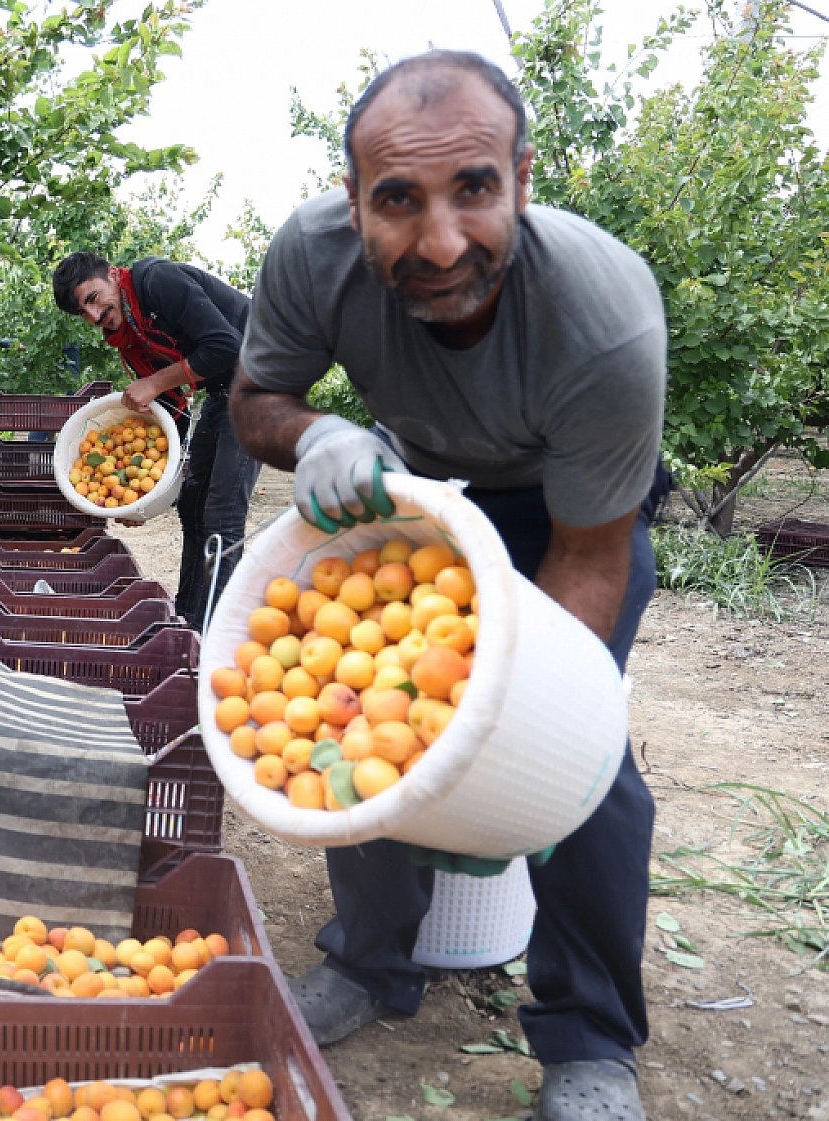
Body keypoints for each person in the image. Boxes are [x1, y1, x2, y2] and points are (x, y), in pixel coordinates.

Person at [232, 50, 670, 1121]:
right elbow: (255, 396)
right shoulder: (311, 254)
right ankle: (370, 963)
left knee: (585, 763)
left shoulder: (602, 318)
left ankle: (587, 1033)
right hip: (416, 492)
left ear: (520, 175)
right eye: (397, 200)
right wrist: (317, 432)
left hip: (563, 510)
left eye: (471, 188)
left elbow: (590, 549)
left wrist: (528, 730)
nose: (437, 241)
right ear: (353, 203)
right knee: (369, 729)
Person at [51, 253, 260, 623]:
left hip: (263, 373)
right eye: (84, 313)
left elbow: (225, 345)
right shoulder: (129, 335)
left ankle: (214, 633)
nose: (94, 315)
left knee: (222, 511)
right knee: (193, 503)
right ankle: (188, 622)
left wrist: (153, 382)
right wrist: (145, 499)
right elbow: (170, 409)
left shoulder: (155, 280)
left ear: (114, 276)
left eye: (93, 298)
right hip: (226, 388)